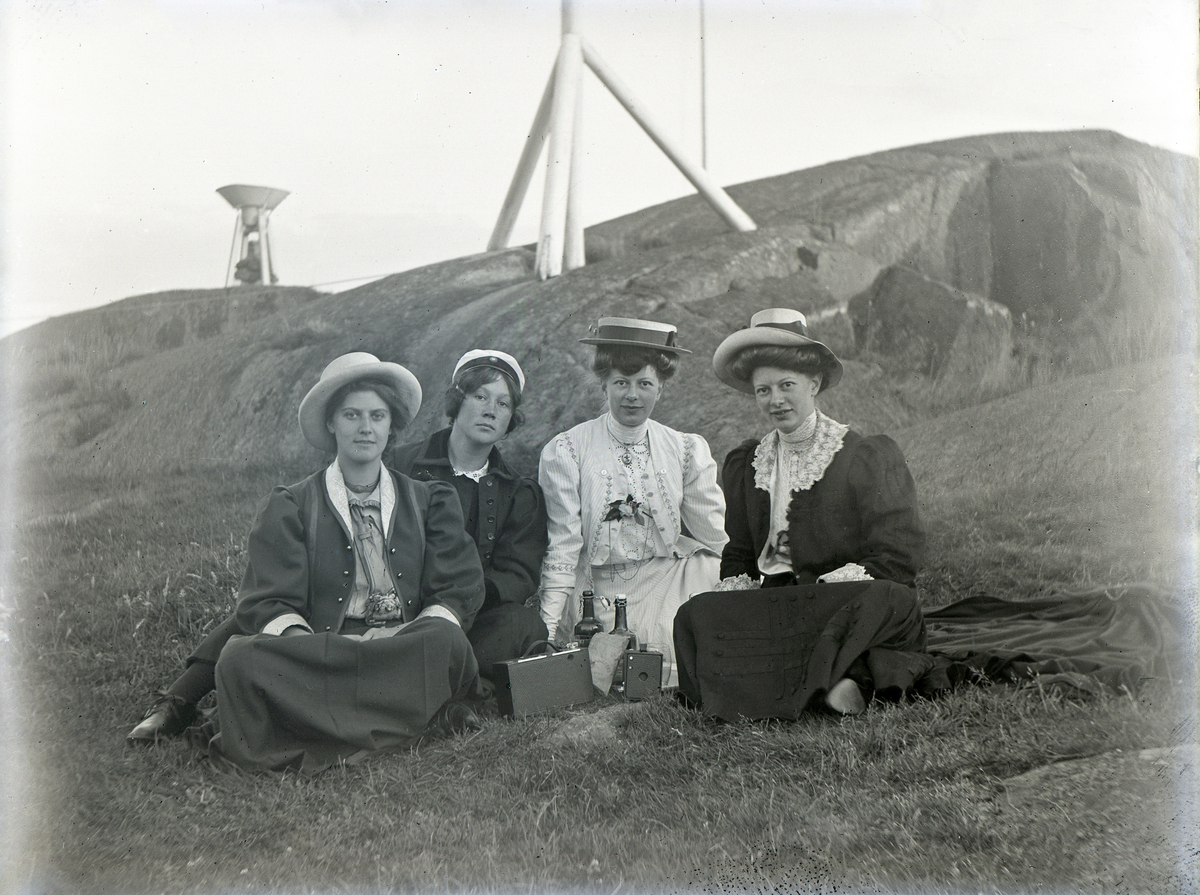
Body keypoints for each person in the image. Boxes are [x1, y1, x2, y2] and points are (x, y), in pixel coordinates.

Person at [138, 353, 487, 771]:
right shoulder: (292, 504)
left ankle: (312, 723)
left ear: (391, 425)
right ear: (331, 423)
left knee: (446, 641)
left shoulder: (429, 500)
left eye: (377, 416)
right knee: (238, 659)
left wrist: (405, 632)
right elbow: (271, 599)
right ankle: (422, 721)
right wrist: (315, 646)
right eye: (351, 415)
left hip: (402, 646)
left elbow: (456, 586)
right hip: (322, 651)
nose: (365, 427)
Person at [674, 308, 929, 719]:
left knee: (891, 599)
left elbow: (898, 555)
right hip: (778, 601)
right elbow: (739, 552)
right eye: (763, 390)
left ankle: (806, 681)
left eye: (786, 385)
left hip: (845, 598)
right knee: (695, 613)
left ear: (814, 383)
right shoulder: (746, 464)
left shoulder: (865, 455)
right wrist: (734, 591)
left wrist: (833, 583)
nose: (775, 400)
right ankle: (835, 678)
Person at [537, 317, 727, 686]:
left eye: (645, 384)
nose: (632, 396)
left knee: (712, 576)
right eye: (621, 383)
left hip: (664, 580)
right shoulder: (568, 450)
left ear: (661, 389)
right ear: (604, 384)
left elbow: (714, 535)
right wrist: (545, 630)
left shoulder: (685, 449)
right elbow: (563, 545)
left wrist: (745, 585)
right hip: (597, 589)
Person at [390, 350, 549, 684]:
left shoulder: (518, 492)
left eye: (503, 404)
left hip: (474, 621)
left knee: (522, 625)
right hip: (400, 609)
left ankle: (435, 678)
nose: (491, 410)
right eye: (480, 396)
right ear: (457, 401)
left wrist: (465, 599)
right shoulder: (400, 466)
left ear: (510, 419)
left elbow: (517, 573)